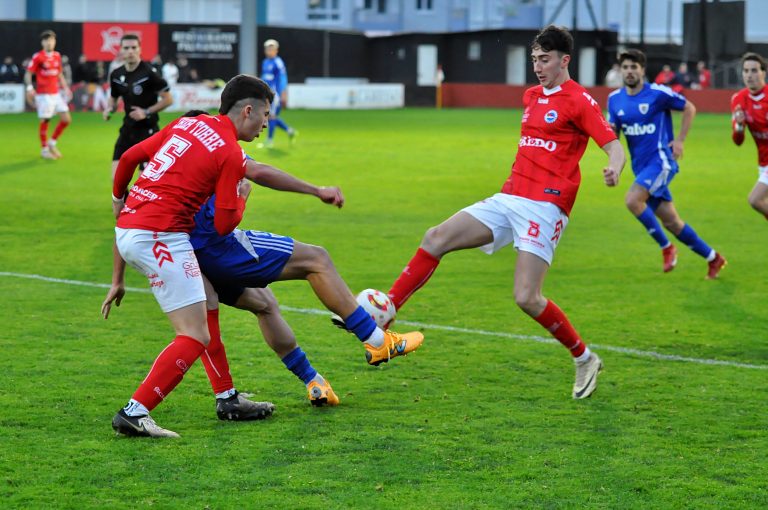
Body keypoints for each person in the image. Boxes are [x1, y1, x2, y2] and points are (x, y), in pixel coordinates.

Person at [383, 25, 624, 400]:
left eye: (544, 60)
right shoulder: (530, 97)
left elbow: (612, 145)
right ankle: (387, 309)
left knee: (527, 297)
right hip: (510, 195)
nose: (538, 67)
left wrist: (615, 167)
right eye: (534, 60)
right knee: (435, 237)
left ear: (565, 60)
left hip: (546, 205)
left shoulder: (579, 101)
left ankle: (584, 357)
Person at [102, 75, 277, 438]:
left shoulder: (187, 123)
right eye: (266, 115)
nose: (266, 122)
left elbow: (132, 156)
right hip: (162, 236)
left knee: (207, 302)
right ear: (248, 111)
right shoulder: (229, 151)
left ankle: (226, 396)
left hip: (131, 231)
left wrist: (119, 197)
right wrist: (243, 195)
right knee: (194, 334)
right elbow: (225, 224)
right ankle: (135, 411)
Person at [607, 49, 726, 279]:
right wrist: (613, 166)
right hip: (641, 168)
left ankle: (666, 247)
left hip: (661, 162)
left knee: (632, 200)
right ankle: (713, 258)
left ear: (642, 69)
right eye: (626, 67)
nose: (630, 71)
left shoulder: (658, 93)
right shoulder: (615, 99)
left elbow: (689, 107)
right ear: (621, 71)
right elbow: (614, 138)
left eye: (634, 67)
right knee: (672, 222)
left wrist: (679, 140)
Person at [104, 34, 173, 179]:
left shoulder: (150, 73)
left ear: (140, 49)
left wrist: (146, 111)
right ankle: (124, 202)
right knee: (117, 179)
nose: (130, 51)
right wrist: (109, 109)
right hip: (127, 130)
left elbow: (168, 99)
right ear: (121, 50)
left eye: (134, 47)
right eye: (126, 48)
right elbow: (114, 98)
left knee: (144, 181)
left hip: (148, 132)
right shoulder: (116, 74)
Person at [731, 52, 768, 220]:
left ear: (763, 73)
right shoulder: (738, 99)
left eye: (754, 71)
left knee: (755, 200)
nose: (749, 75)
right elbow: (738, 141)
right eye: (746, 71)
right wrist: (739, 126)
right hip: (763, 161)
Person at [24, 30, 71, 160]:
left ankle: (52, 143)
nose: (49, 42)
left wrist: (66, 88)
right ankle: (44, 149)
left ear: (54, 42)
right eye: (46, 40)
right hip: (44, 95)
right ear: (42, 42)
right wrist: (29, 88)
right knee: (45, 120)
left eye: (51, 40)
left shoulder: (57, 55)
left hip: (56, 94)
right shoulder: (38, 56)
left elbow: (59, 74)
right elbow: (28, 73)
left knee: (66, 120)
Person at [260, 39, 297, 148]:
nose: (269, 51)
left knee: (271, 116)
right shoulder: (265, 62)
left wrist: (283, 93)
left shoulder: (278, 62)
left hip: (275, 95)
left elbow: (282, 79)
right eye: (267, 49)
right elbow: (264, 78)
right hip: (267, 93)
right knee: (271, 117)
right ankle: (290, 131)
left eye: (272, 49)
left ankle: (269, 141)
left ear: (276, 50)